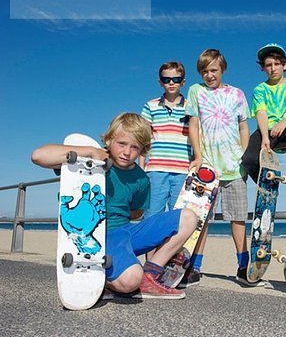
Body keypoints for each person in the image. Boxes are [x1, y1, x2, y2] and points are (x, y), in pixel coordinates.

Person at [31, 113, 198, 300]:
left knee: (189, 217)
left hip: (126, 232)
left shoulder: (141, 178)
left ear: (143, 149)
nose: (127, 152)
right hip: (100, 235)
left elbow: (137, 213)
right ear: (109, 140)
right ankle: (106, 278)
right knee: (130, 280)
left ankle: (150, 276)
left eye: (135, 147)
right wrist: (91, 152)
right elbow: (39, 156)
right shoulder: (89, 164)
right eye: (122, 144)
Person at [184, 49, 262, 287]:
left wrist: (246, 157)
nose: (209, 75)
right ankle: (194, 267)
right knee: (201, 220)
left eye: (213, 70)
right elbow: (194, 125)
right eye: (205, 71)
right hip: (207, 167)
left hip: (234, 168)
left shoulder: (237, 94)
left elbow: (243, 127)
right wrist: (197, 156)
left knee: (238, 218)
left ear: (223, 69)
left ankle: (242, 266)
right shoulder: (195, 92)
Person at [241, 43, 286, 207]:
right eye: (268, 65)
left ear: (284, 65)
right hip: (267, 130)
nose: (273, 68)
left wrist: (284, 123)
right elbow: (261, 113)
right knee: (248, 158)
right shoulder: (260, 89)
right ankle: (269, 184)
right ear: (263, 68)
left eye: (277, 64)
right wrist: (265, 137)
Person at [140, 61, 192, 221]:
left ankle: (173, 247)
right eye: (166, 79)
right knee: (152, 214)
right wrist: (141, 166)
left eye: (176, 79)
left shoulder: (191, 107)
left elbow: (198, 137)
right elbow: (143, 137)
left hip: (183, 170)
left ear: (183, 82)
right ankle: (149, 247)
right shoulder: (151, 106)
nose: (171, 83)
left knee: (178, 217)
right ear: (160, 82)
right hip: (155, 169)